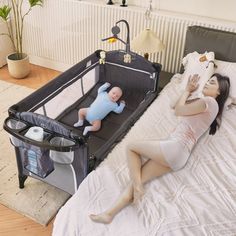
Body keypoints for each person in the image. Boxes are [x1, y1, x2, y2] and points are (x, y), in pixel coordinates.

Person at [89, 73, 230, 224]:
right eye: (208, 79)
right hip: (179, 157)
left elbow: (178, 111)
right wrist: (188, 90)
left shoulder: (209, 101)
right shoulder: (206, 104)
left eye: (212, 82)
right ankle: (109, 214)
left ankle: (137, 189)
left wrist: (188, 92)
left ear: (219, 91)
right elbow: (174, 105)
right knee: (139, 177)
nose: (207, 82)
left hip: (176, 147)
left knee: (131, 148)